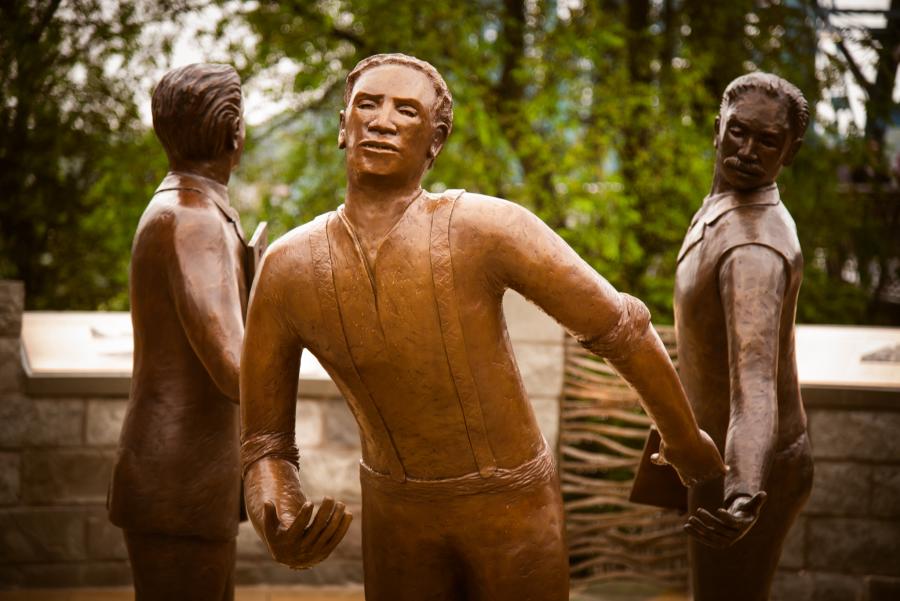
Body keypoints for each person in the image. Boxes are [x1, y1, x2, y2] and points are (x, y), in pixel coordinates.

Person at [240, 53, 724, 601]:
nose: (381, 120)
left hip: (510, 509)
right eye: (367, 104)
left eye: (406, 110)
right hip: (397, 518)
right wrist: (273, 512)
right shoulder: (288, 267)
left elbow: (622, 328)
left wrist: (684, 439)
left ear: (436, 140)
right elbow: (264, 442)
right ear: (342, 126)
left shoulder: (487, 228)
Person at [108, 63, 247, 601]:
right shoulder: (192, 220)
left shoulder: (190, 208)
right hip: (180, 483)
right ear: (234, 131)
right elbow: (236, 368)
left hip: (189, 481)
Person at [675, 72, 814, 601]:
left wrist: (743, 492)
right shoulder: (722, 207)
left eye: (768, 141)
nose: (749, 150)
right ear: (718, 129)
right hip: (718, 455)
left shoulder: (753, 249)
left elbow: (754, 386)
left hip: (752, 466)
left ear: (791, 151)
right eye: (739, 132)